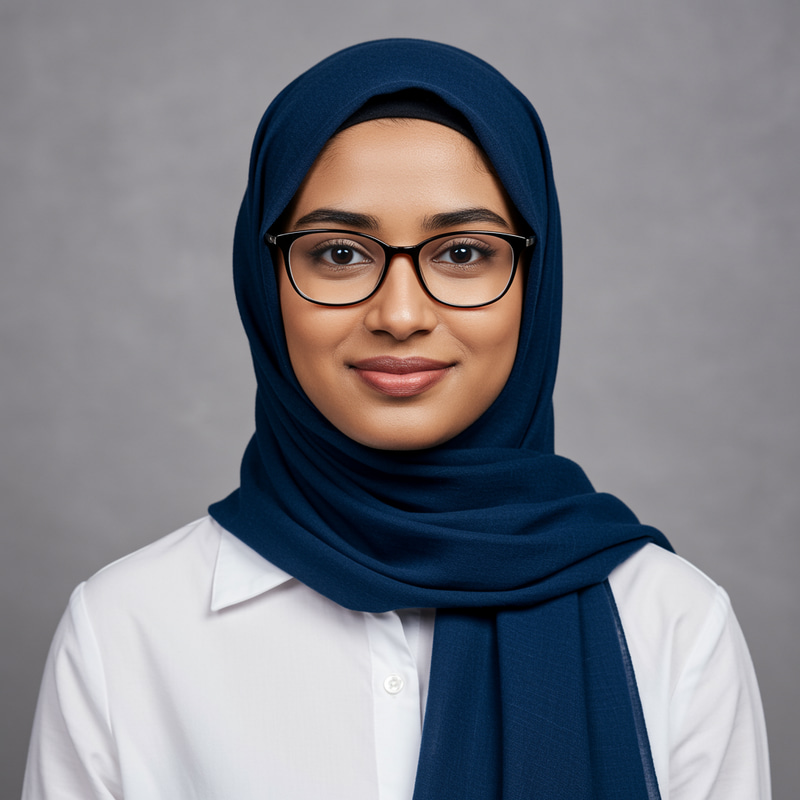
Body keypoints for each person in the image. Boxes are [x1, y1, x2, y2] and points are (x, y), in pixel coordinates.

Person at [22, 39, 770, 800]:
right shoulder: (126, 630)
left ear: (534, 281)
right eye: (340, 253)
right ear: (264, 279)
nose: (401, 314)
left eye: (463, 253)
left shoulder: (673, 625)